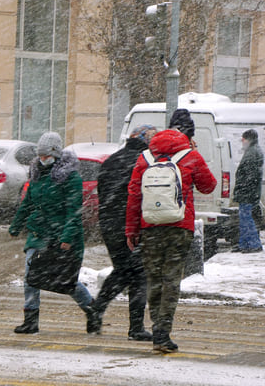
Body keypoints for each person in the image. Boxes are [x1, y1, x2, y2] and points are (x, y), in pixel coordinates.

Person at [125, 119, 217, 353]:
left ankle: (157, 327)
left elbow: (134, 196)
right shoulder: (190, 156)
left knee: (155, 280)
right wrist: (194, 155)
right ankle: (163, 333)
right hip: (179, 226)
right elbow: (209, 186)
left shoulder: (144, 159)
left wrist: (131, 229)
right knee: (171, 280)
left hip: (150, 226)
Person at [9, 132, 94, 334]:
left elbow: (73, 211)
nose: (43, 159)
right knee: (31, 277)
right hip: (39, 233)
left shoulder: (70, 177)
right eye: (40, 155)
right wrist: (16, 224)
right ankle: (30, 320)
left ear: (56, 154)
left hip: (61, 235)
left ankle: (92, 309)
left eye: (46, 155)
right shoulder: (37, 175)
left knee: (64, 280)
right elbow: (28, 202)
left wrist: (66, 237)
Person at [87, 125, 157, 341]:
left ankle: (97, 309)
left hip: (109, 225)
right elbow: (141, 195)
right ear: (146, 140)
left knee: (124, 270)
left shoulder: (111, 160)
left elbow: (104, 194)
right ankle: (134, 327)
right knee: (138, 274)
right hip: (131, 226)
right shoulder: (144, 161)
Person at [232, 129, 264, 253]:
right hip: (249, 191)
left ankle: (253, 244)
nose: (242, 141)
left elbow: (249, 175)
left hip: (247, 192)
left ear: (249, 139)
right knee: (244, 218)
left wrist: (242, 188)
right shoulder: (253, 150)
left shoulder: (252, 152)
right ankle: (244, 244)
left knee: (246, 218)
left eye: (244, 138)